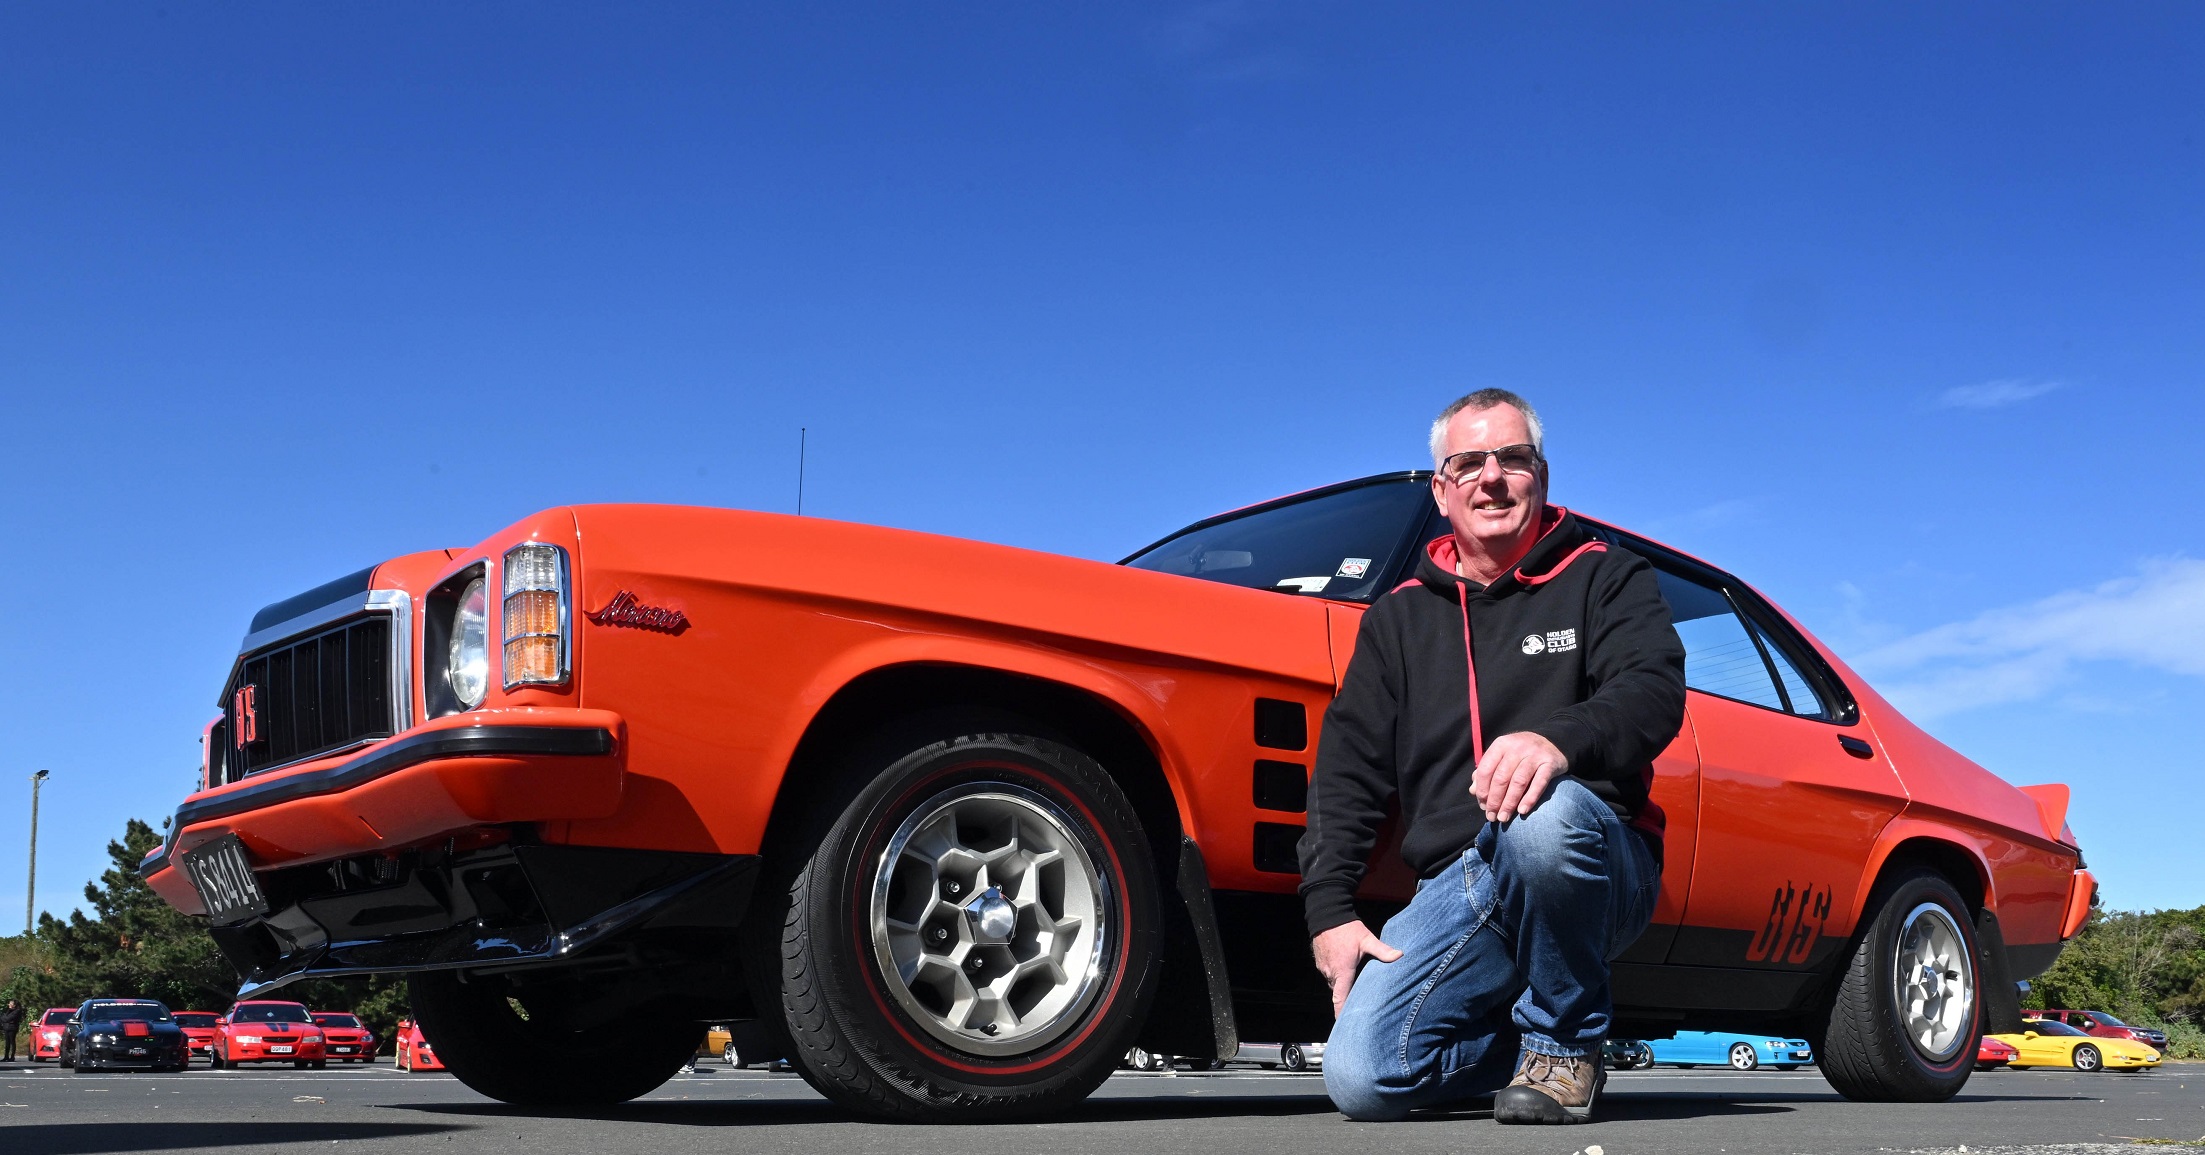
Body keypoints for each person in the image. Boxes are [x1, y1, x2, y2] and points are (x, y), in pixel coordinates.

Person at [1301, 388, 1686, 1125]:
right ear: (1443, 491)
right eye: (1469, 462)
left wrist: (1557, 738)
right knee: (1363, 1078)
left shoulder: (1606, 575)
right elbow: (1345, 768)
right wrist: (1329, 911)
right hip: (1460, 883)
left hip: (1590, 861)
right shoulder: (1397, 618)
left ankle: (1565, 1042)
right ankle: (1529, 1046)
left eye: (1512, 458)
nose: (1492, 477)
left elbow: (1653, 691)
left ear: (1540, 476)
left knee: (1539, 815)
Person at [1, 998, 22, 1063]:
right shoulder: (9, 1010)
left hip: (12, 1028)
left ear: (14, 1005)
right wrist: (4, 1018)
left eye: (10, 1004)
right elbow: (4, 1018)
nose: (9, 1005)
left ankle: (12, 1056)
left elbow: (8, 1018)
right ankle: (6, 1056)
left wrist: (4, 1018)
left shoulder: (17, 1011)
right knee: (7, 1042)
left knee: (12, 1041)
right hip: (6, 1027)